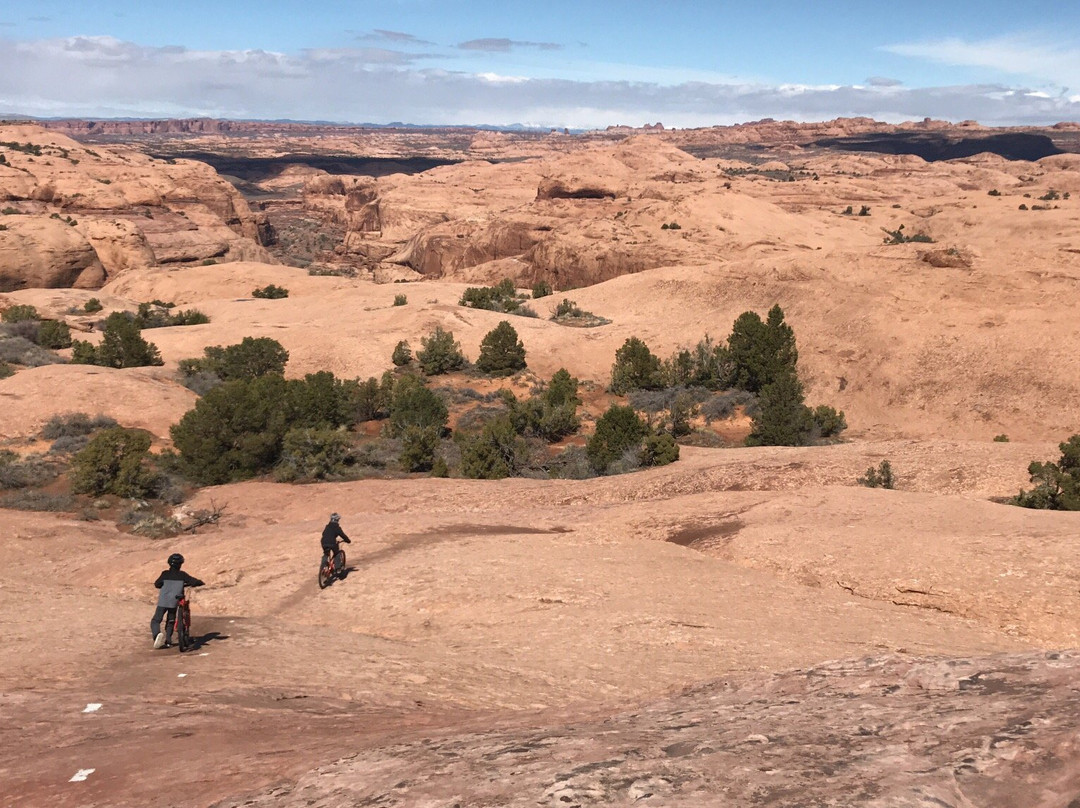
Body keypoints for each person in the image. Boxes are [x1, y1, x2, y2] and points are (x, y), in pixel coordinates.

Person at [151, 553, 204, 649]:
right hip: (175, 602)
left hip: (163, 600)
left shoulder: (165, 574)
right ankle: (168, 641)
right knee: (171, 620)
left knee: (156, 620)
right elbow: (193, 581)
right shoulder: (182, 575)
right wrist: (200, 582)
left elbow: (157, 584)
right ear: (180, 564)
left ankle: (157, 635)